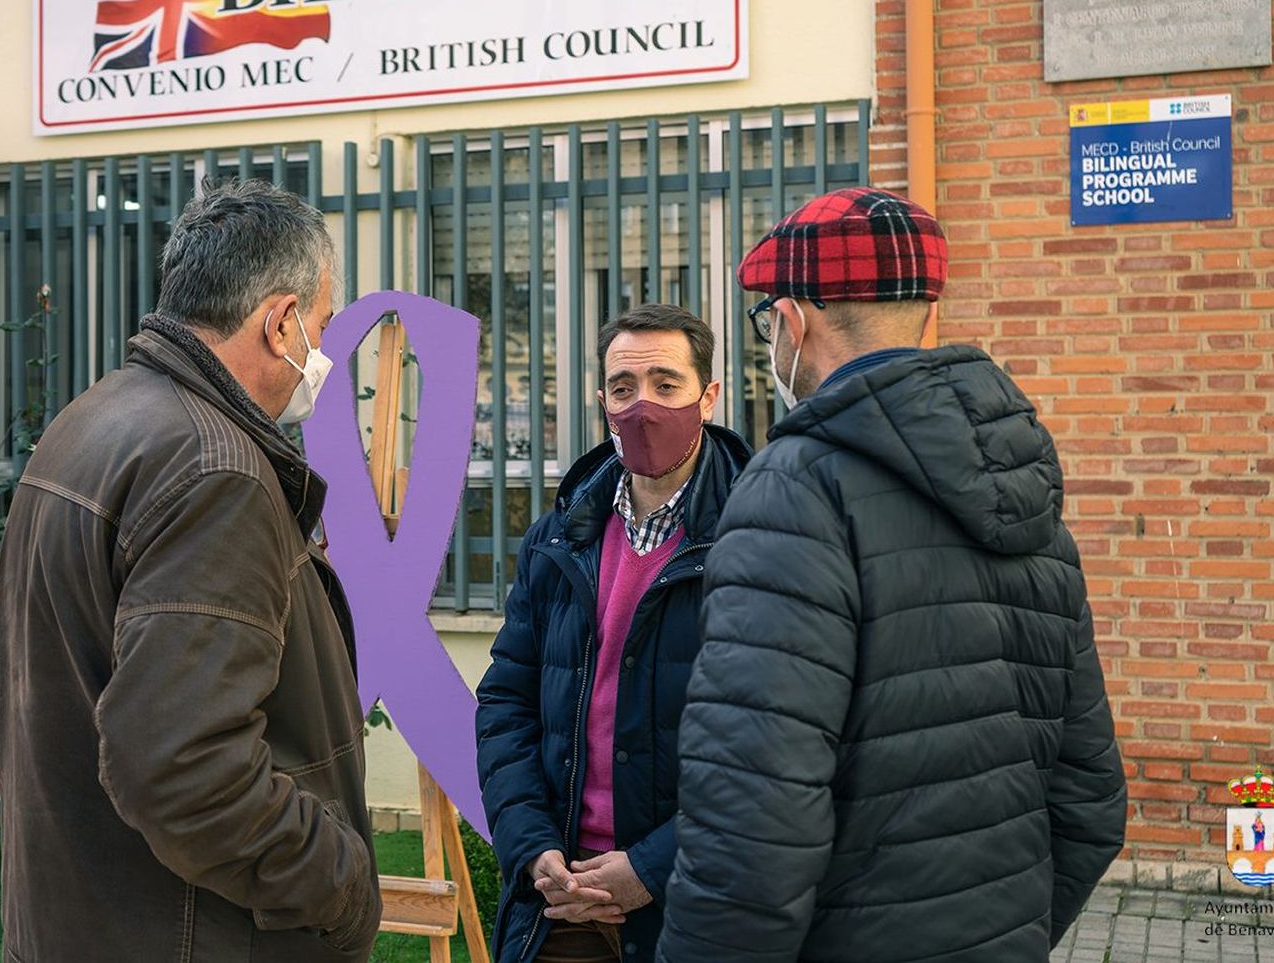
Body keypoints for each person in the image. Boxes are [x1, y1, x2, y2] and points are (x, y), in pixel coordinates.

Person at [658, 188, 1128, 963]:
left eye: (767, 320)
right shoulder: (1026, 482)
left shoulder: (794, 489)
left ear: (793, 321)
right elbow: (1091, 801)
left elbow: (752, 829)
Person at [0, 180, 382, 962]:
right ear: (280, 322)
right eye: (324, 323)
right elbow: (179, 767)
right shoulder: (216, 471)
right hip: (192, 931)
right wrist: (340, 885)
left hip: (83, 918)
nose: (328, 350)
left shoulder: (98, 417)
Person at [476, 304, 753, 963]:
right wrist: (530, 846)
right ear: (602, 399)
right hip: (562, 902)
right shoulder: (558, 539)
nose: (643, 407)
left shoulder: (758, 538)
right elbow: (505, 705)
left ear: (708, 395)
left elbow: (770, 747)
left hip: (693, 908)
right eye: (624, 389)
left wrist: (653, 866)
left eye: (666, 384)